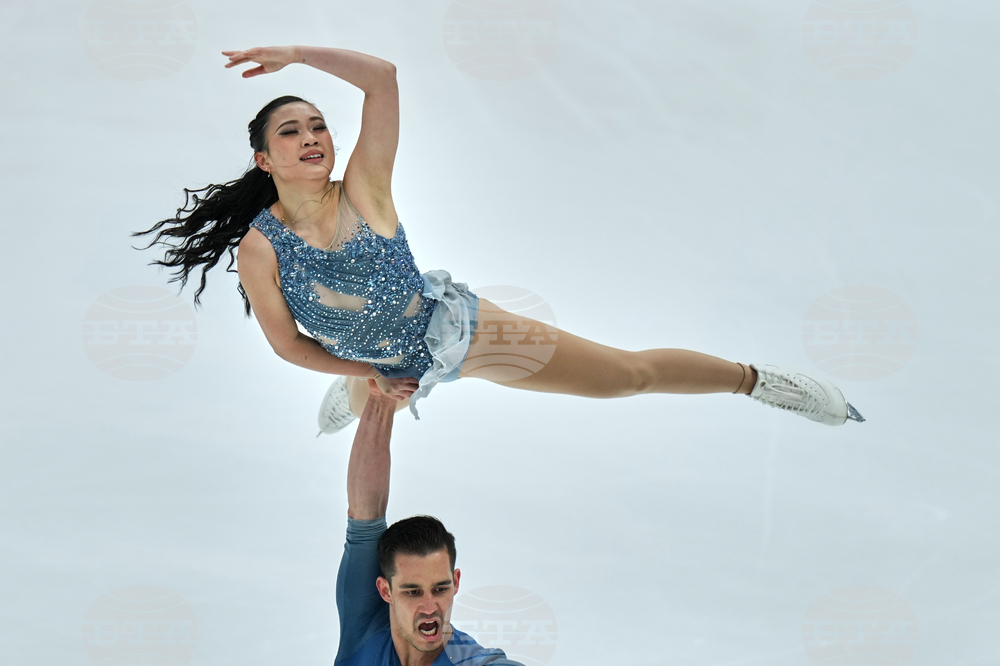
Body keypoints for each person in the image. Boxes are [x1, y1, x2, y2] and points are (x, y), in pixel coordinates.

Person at [134, 44, 865, 433]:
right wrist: (364, 374)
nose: (311, 138)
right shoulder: (260, 248)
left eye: (318, 125)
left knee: (625, 377)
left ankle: (757, 381)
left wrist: (296, 54)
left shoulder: (363, 188)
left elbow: (382, 79)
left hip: (459, 334)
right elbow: (288, 345)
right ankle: (355, 393)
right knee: (373, 383)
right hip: (379, 364)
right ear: (264, 159)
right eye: (291, 132)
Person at [337, 377, 524, 665]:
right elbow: (365, 513)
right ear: (385, 591)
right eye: (412, 591)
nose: (429, 607)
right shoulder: (365, 623)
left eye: (440, 589)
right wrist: (378, 394)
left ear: (456, 582)